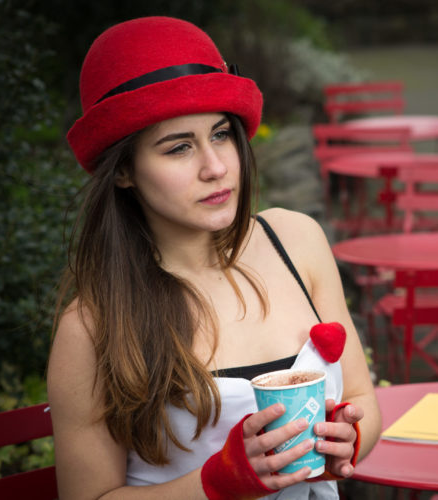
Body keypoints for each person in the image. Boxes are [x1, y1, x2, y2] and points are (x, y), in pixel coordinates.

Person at [47, 16, 381, 500]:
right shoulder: (94, 326)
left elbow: (360, 397)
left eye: (221, 134)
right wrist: (214, 483)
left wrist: (348, 442)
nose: (217, 167)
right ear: (123, 171)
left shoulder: (296, 241)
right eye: (179, 147)